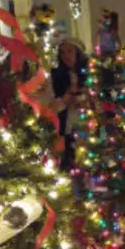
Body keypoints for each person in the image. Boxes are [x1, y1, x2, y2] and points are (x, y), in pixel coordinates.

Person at [50, 38, 87, 170]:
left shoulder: (89, 74)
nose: (66, 56)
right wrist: (65, 99)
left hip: (88, 126)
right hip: (68, 127)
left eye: (70, 51)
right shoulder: (55, 77)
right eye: (62, 53)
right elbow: (53, 107)